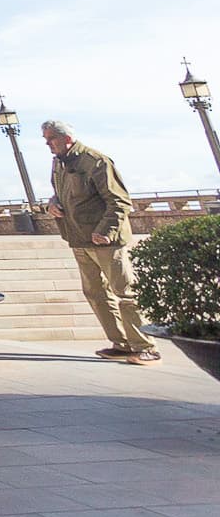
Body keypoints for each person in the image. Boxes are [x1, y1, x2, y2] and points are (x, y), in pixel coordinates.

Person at [43, 120, 156, 363]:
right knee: (95, 293)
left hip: (106, 242)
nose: (47, 144)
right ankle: (121, 344)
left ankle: (145, 345)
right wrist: (52, 204)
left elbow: (120, 201)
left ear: (67, 139)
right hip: (78, 239)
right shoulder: (59, 163)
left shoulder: (96, 161)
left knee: (125, 292)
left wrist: (105, 230)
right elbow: (59, 193)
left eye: (50, 139)